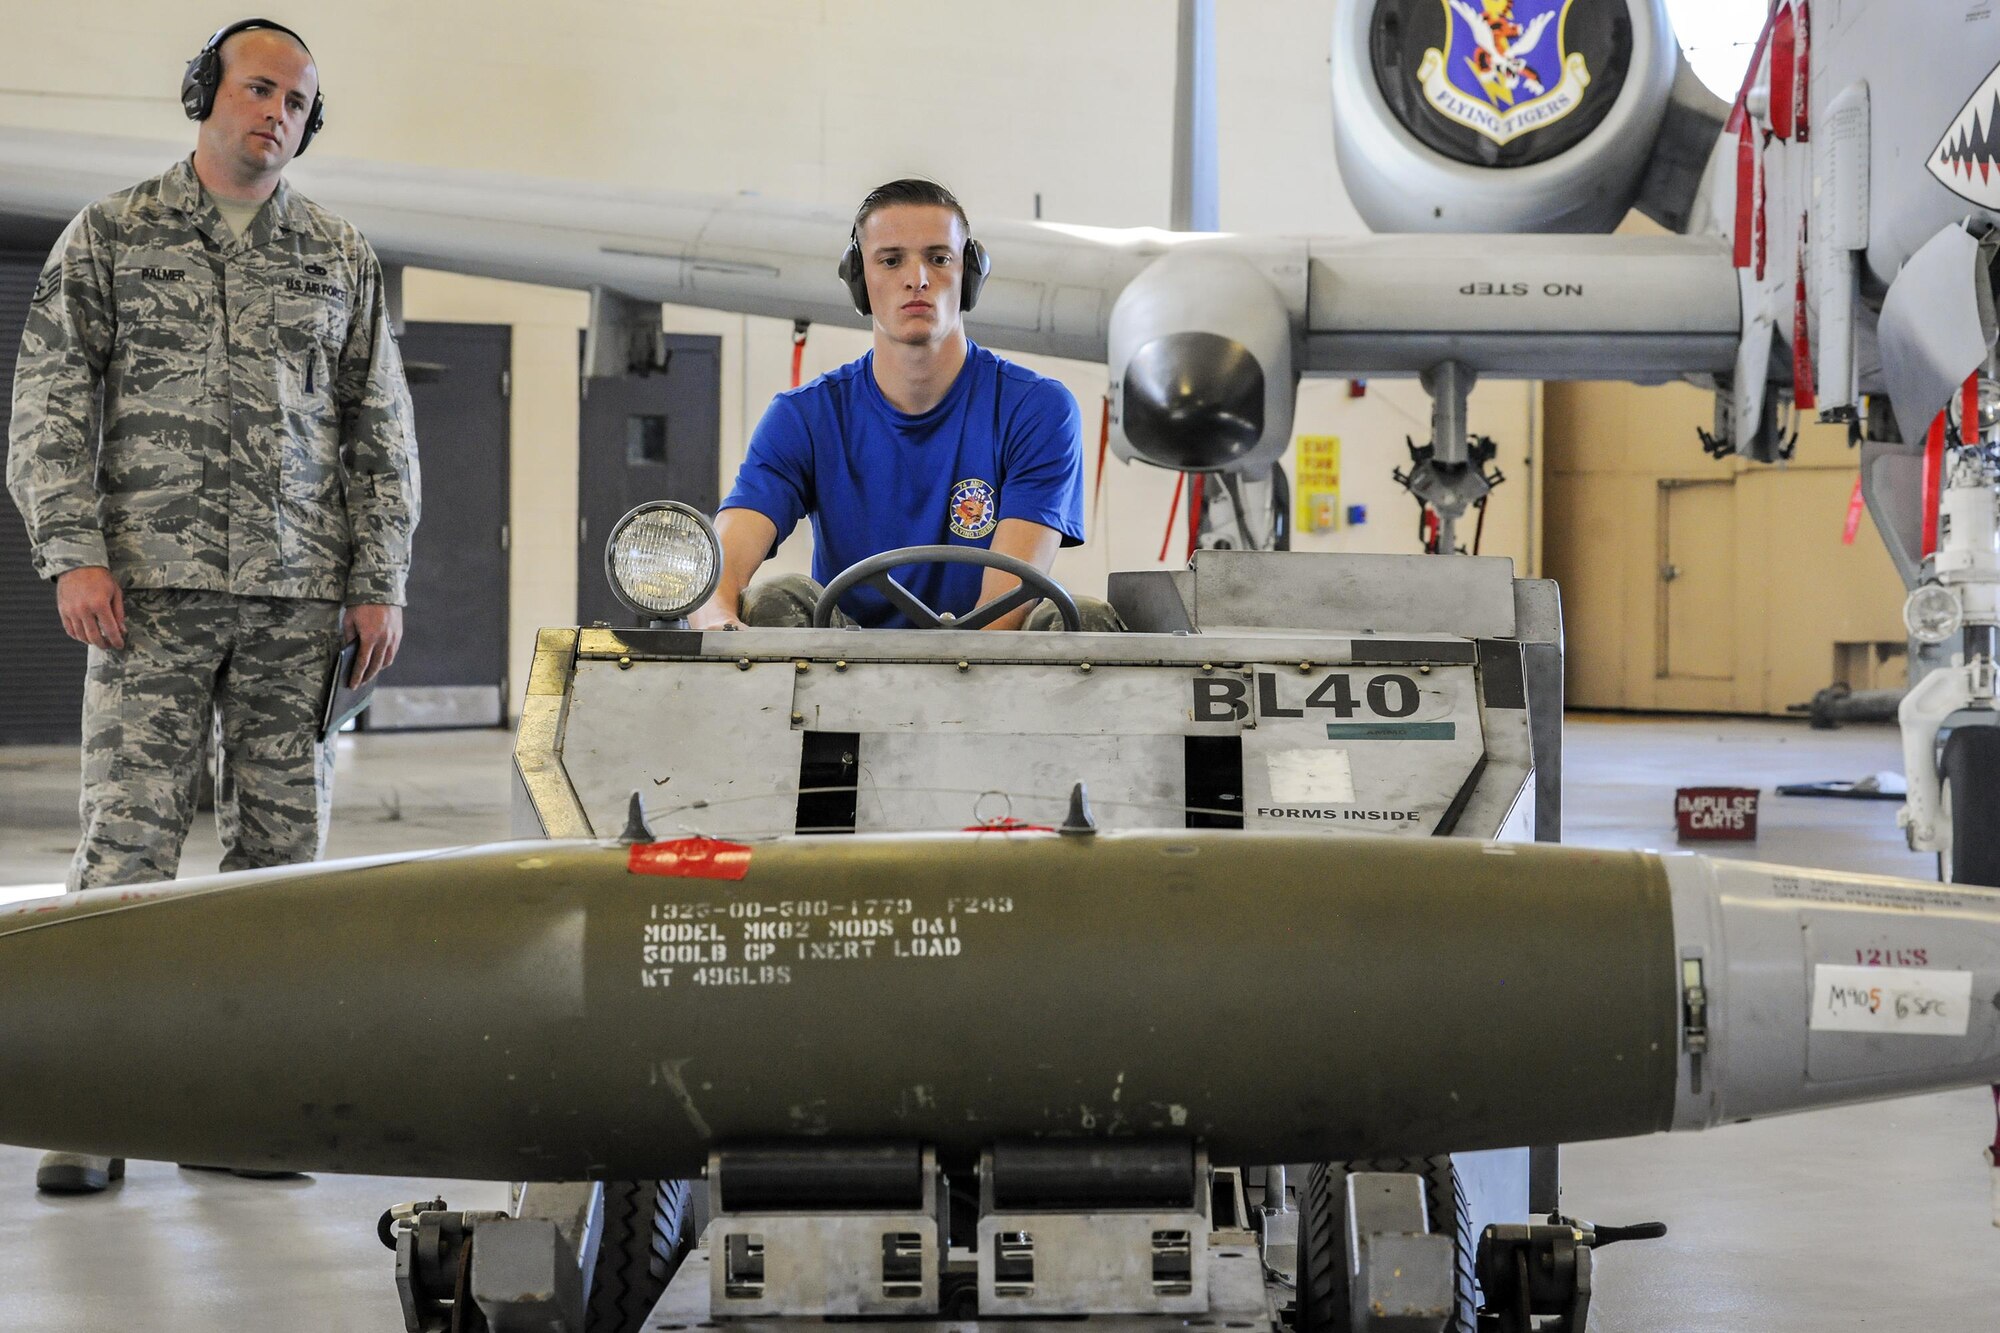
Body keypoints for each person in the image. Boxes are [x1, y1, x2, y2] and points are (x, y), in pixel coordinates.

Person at [4, 19, 420, 1194]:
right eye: (256, 87)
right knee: (125, 853)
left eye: (296, 100)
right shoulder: (114, 234)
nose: (275, 112)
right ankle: (92, 1107)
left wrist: (377, 576)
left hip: (299, 604)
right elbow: (47, 404)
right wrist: (71, 549)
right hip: (149, 599)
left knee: (279, 867)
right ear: (205, 93)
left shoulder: (340, 254)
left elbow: (378, 430)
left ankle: (246, 1111)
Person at [689, 178, 1119, 632]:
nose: (917, 278)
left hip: (993, 671)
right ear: (860, 279)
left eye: (938, 258)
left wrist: (942, 692)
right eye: (891, 261)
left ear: (970, 274)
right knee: (776, 601)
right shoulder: (804, 418)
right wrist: (716, 622)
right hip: (840, 673)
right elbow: (726, 560)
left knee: (1083, 622)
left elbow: (1005, 603)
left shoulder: (1036, 410)